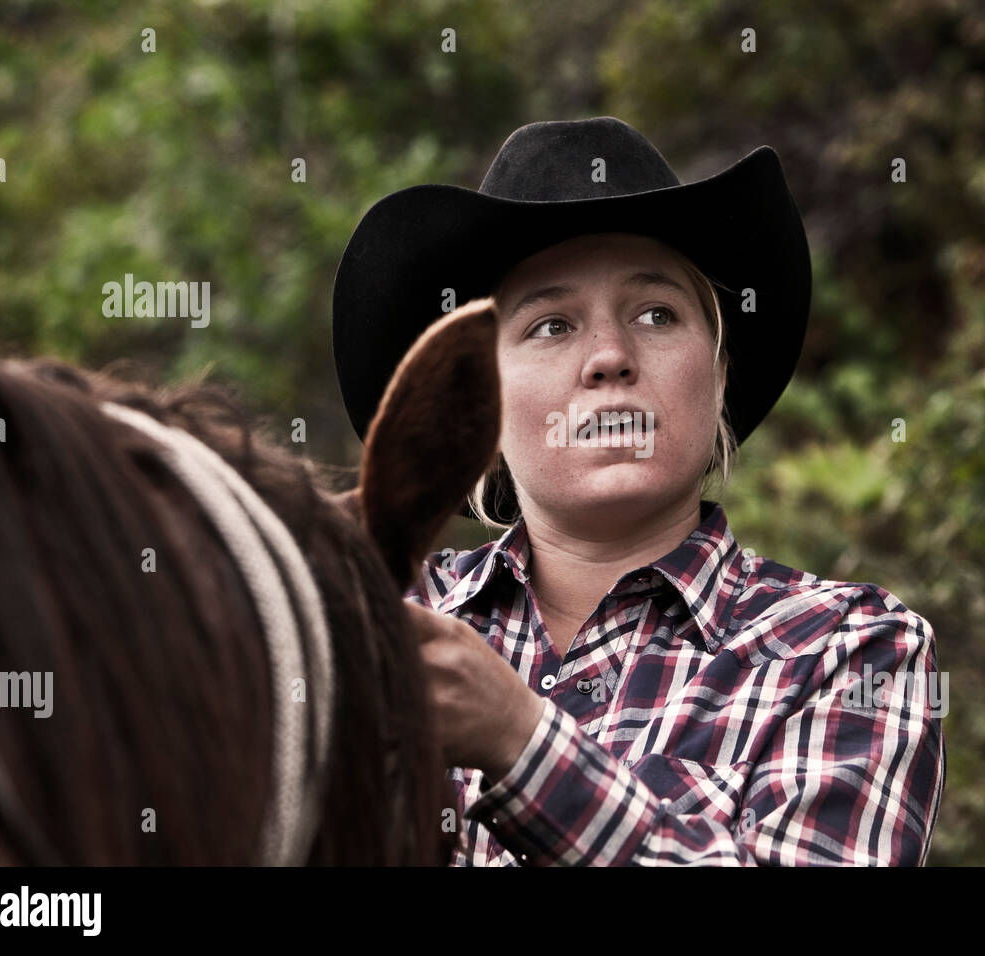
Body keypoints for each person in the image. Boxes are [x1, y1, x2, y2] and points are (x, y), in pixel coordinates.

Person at [332, 116, 946, 866]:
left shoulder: (848, 647)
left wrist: (519, 742)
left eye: (657, 314)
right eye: (552, 325)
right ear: (478, 400)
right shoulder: (372, 626)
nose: (610, 358)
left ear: (719, 376)